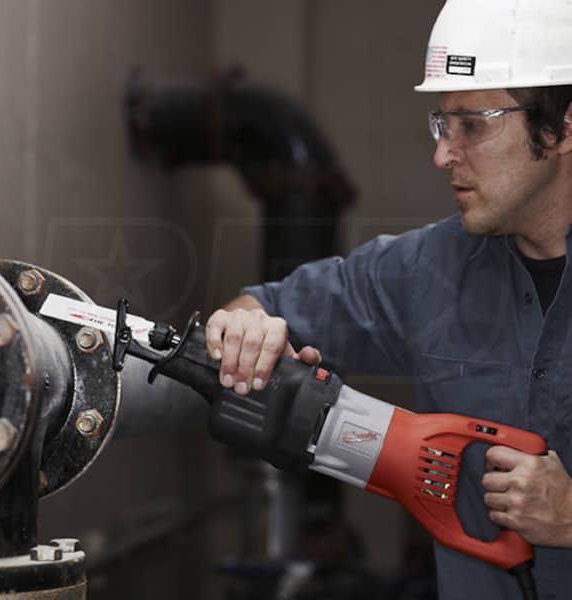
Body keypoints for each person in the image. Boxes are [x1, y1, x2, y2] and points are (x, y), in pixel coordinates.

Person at [205, 1, 572, 598]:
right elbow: (256, 308)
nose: (443, 155)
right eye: (442, 124)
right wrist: (245, 329)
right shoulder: (426, 269)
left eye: (473, 124)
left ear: (561, 128)